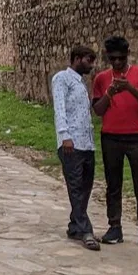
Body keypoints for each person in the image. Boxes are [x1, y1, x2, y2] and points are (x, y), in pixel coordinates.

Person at [91, 36, 138, 248]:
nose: (117, 62)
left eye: (121, 58)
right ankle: (114, 226)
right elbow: (98, 110)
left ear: (128, 54)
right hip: (110, 137)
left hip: (136, 136)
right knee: (113, 185)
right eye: (112, 59)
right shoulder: (101, 78)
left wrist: (130, 89)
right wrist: (109, 93)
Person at [51, 46, 100, 251]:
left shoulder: (81, 83)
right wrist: (65, 135)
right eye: (89, 60)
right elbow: (59, 108)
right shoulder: (62, 79)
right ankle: (85, 230)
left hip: (86, 142)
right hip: (71, 143)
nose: (92, 65)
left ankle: (75, 226)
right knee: (76, 188)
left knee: (86, 187)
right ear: (77, 59)